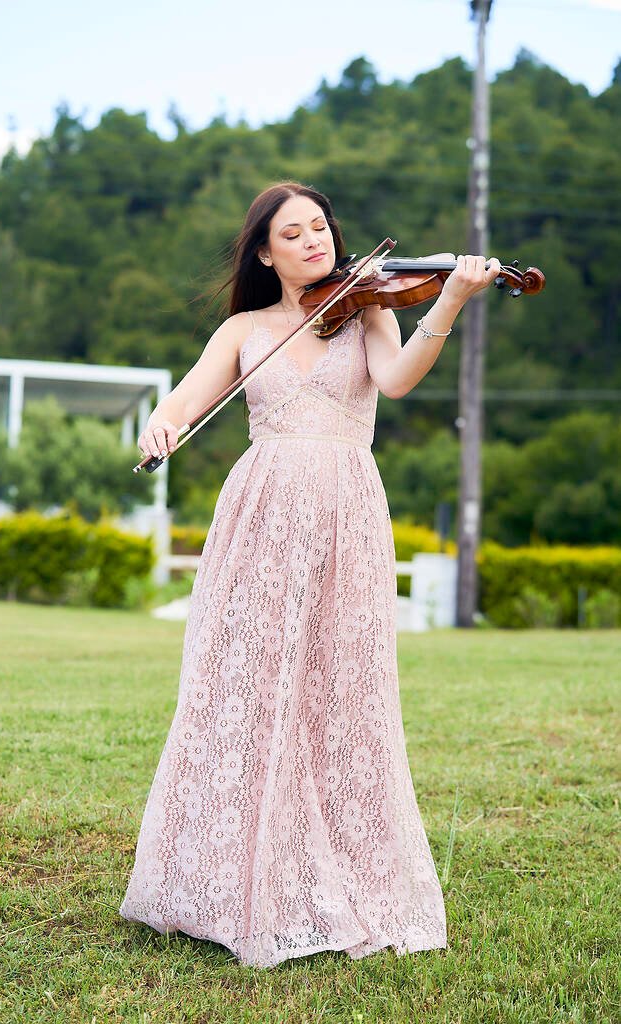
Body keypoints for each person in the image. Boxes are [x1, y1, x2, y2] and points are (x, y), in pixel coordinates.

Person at [119, 180, 501, 968]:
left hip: (344, 508)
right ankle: (222, 880)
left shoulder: (368, 308)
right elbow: (186, 400)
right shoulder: (243, 328)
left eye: (320, 228)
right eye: (293, 234)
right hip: (260, 510)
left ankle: (327, 871)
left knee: (336, 683)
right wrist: (162, 426)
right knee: (244, 683)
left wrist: (451, 302)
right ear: (265, 251)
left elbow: (395, 384)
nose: (313, 242)